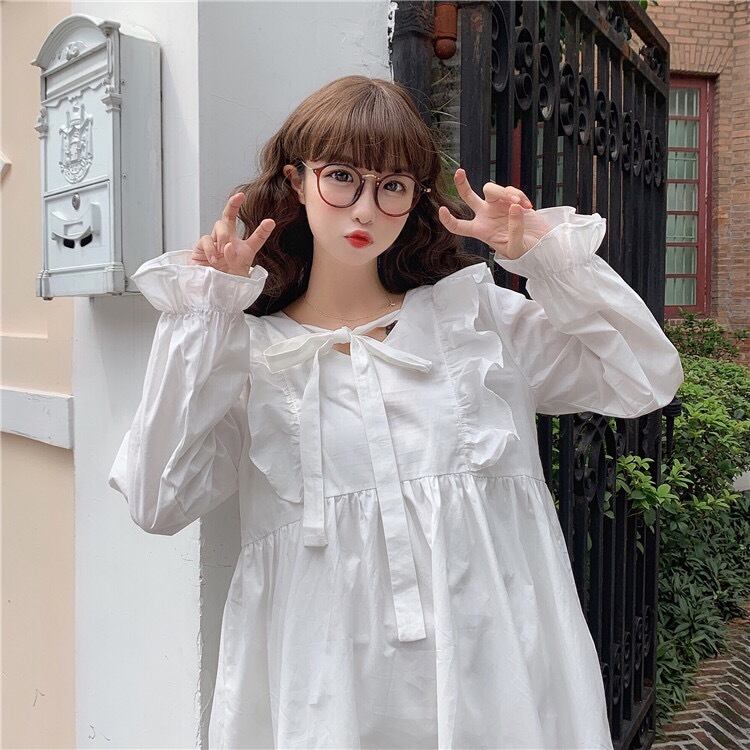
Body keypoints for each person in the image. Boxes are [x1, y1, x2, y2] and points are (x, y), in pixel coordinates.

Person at [108, 75, 684, 749]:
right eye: (342, 177)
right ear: (297, 180)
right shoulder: (249, 356)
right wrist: (204, 314)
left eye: (392, 185)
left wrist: (545, 258)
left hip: (493, 677)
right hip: (328, 693)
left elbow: (644, 377)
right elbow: (157, 500)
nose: (366, 209)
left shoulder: (474, 322)